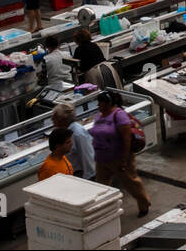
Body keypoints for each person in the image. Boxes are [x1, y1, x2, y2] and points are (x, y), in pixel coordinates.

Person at [91, 91, 151, 219]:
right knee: (100, 187)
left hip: (119, 159)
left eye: (100, 103)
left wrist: (124, 160)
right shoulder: (99, 116)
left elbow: (126, 139)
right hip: (102, 159)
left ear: (108, 103)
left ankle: (144, 204)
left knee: (131, 183)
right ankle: (103, 212)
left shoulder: (119, 116)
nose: (98, 105)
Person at [50, 103, 95, 178]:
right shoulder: (65, 132)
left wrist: (89, 178)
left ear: (62, 119)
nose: (52, 120)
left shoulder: (78, 133)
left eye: (55, 117)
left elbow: (87, 157)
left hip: (81, 175)